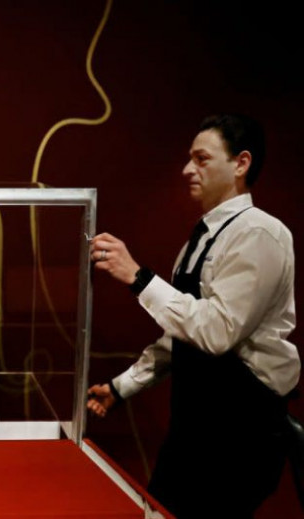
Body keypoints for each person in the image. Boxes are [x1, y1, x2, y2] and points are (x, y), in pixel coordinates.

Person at [86, 114, 300, 518]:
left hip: (241, 434)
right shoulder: (198, 242)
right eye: (190, 158)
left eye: (201, 159)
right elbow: (183, 336)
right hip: (194, 430)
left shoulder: (260, 234)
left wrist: (138, 277)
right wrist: (120, 388)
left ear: (241, 163)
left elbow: (216, 332)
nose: (187, 169)